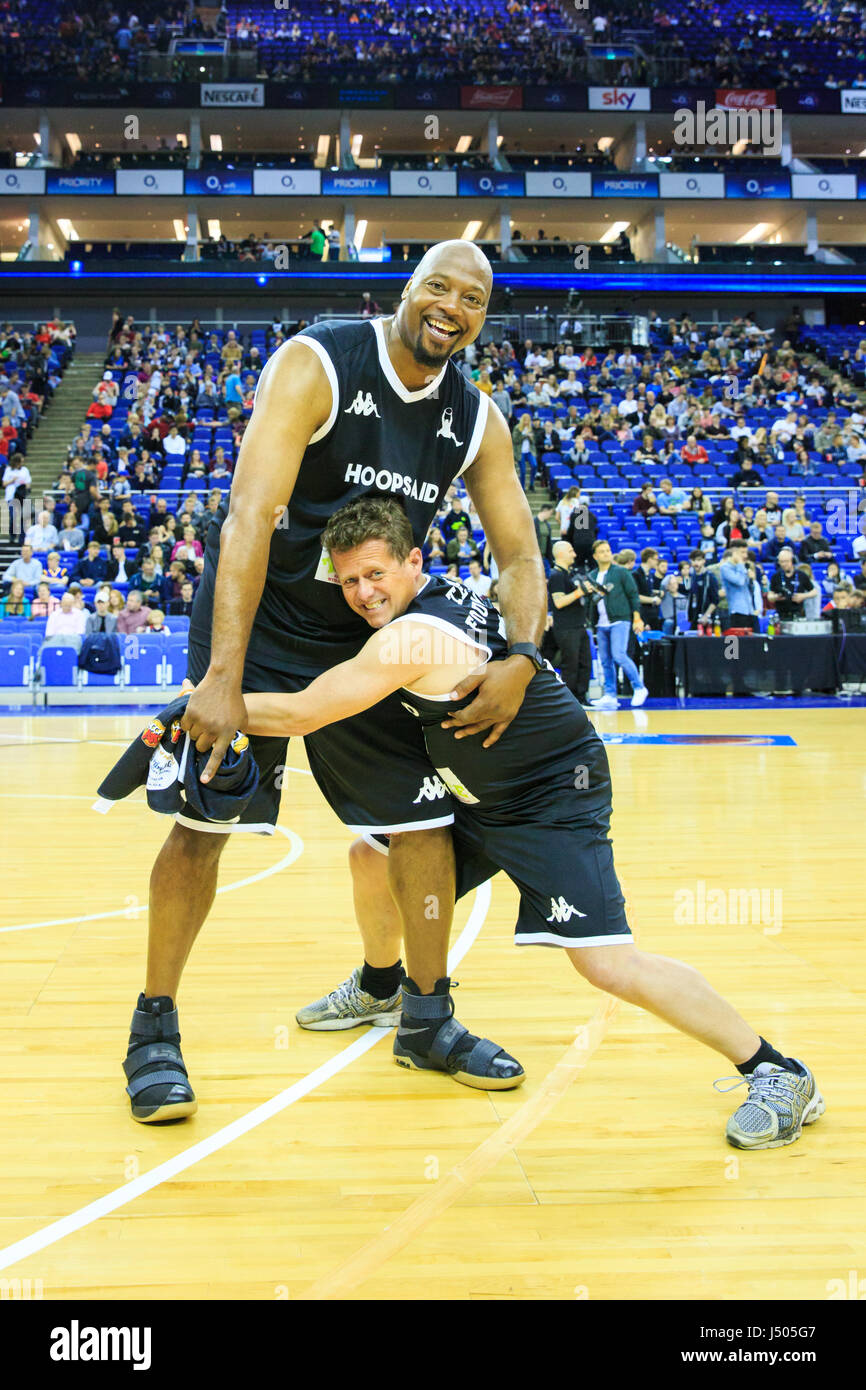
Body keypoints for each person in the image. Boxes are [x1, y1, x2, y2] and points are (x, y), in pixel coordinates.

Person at [241, 497, 823, 1151]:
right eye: (348, 580)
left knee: (606, 964)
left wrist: (206, 704)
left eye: (375, 574)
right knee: (373, 857)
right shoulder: (452, 594)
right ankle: (382, 987)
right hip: (488, 796)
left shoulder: (409, 638)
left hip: (550, 799)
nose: (362, 593)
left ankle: (775, 1069)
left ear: (413, 561)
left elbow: (300, 714)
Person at [120, 239, 546, 1124]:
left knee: (421, 822)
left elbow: (519, 552)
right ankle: (153, 1028)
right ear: (407, 288)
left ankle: (426, 1017)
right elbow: (248, 515)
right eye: (438, 285)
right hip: (263, 615)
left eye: (473, 297)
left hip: (367, 630)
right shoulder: (317, 361)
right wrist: (224, 678)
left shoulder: (474, 418)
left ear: (482, 317)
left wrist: (522, 655)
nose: (451, 305)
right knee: (206, 820)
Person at [586, 539, 647, 710]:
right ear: (595, 556)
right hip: (601, 623)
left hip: (620, 619)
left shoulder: (620, 572)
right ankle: (610, 695)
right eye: (602, 551)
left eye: (608, 550)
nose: (606, 553)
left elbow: (633, 595)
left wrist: (637, 618)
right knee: (605, 660)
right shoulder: (591, 575)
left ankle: (639, 687)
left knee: (619, 655)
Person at [547, 539, 591, 705]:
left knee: (585, 663)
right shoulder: (556, 575)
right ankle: (570, 700)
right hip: (566, 627)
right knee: (571, 664)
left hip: (579, 625)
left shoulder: (569, 574)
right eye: (571, 551)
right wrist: (580, 592)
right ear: (561, 554)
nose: (575, 554)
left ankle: (582, 697)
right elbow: (559, 602)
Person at [719, 541, 759, 630]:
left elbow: (750, 588)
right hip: (737, 611)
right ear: (734, 553)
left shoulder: (744, 567)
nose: (745, 556)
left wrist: (751, 578)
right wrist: (740, 564)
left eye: (746, 552)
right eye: (742, 553)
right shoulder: (725, 568)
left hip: (750, 610)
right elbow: (739, 581)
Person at [767, 548, 813, 621]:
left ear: (792, 560)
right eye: (782, 562)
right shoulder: (775, 576)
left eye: (786, 561)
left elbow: (814, 591)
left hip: (797, 614)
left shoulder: (801, 575)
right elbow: (770, 595)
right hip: (781, 615)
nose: (784, 564)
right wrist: (775, 597)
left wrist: (803, 596)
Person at [684, 550, 719, 630]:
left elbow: (715, 600)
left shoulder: (710, 577)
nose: (696, 563)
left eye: (699, 560)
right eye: (693, 560)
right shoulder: (692, 576)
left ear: (704, 561)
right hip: (694, 617)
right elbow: (688, 591)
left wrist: (706, 615)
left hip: (707, 619)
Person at [633, 547, 662, 630]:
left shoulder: (650, 575)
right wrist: (653, 600)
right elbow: (636, 596)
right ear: (649, 559)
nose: (657, 562)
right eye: (656, 559)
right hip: (642, 613)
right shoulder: (636, 575)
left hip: (652, 613)